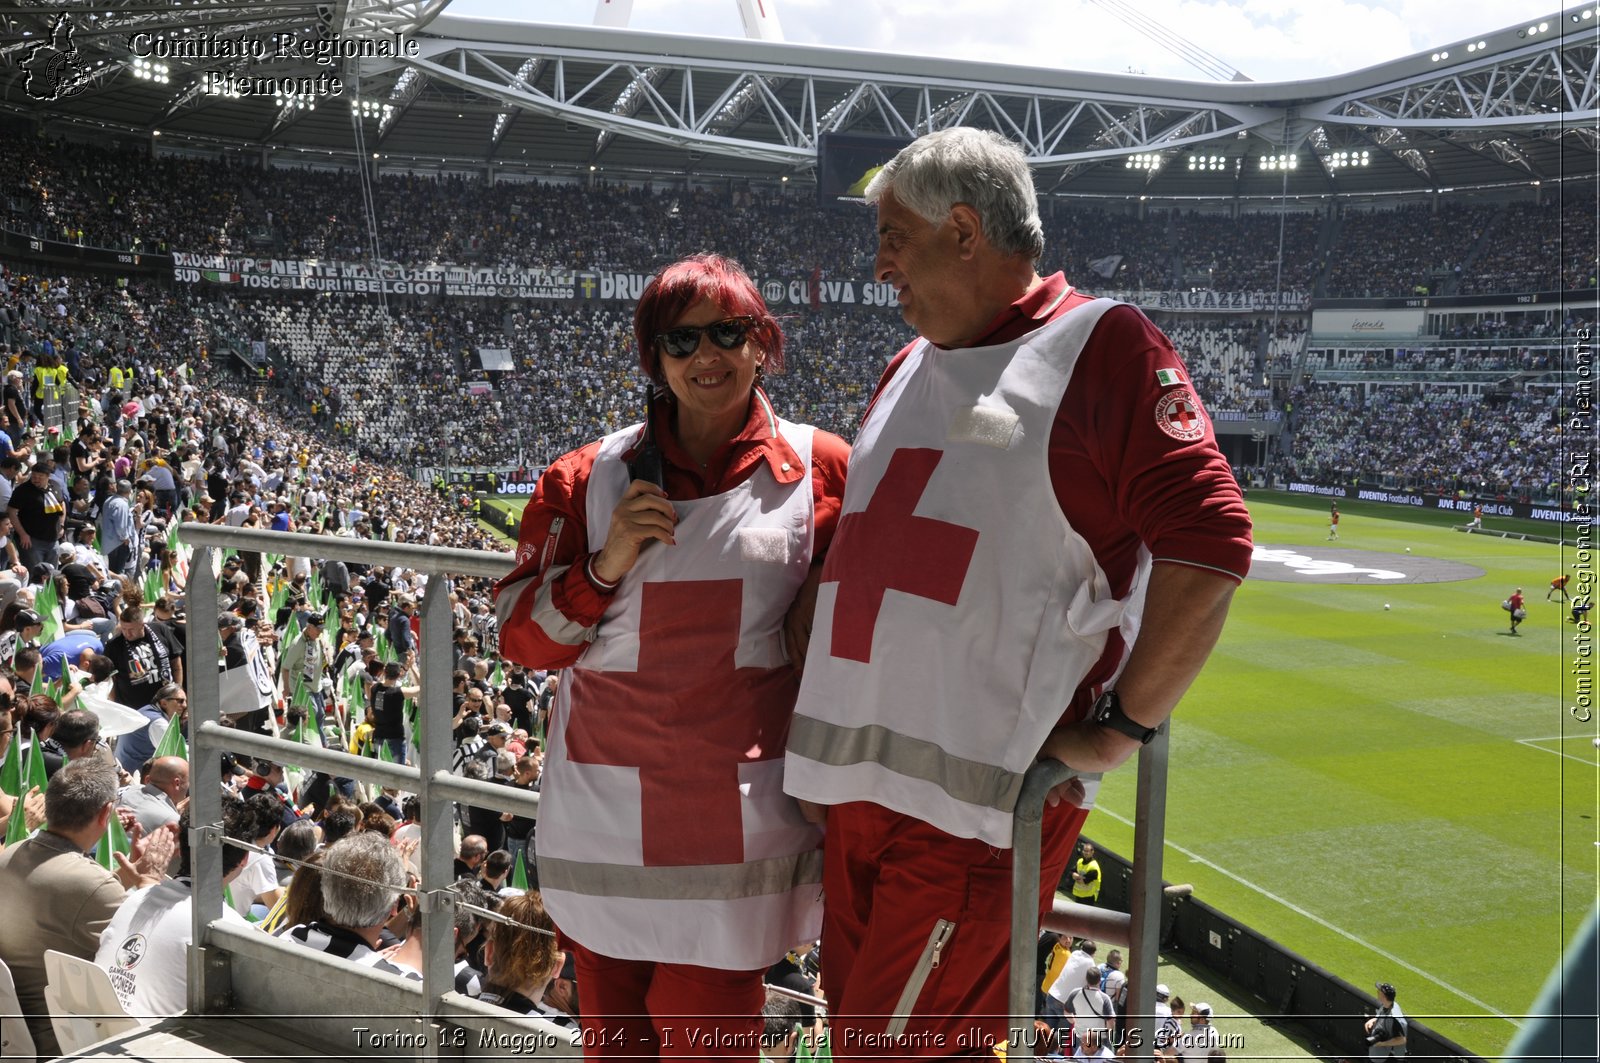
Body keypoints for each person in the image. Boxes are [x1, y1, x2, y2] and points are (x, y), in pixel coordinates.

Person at [782, 128, 1252, 1050]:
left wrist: (1123, 728)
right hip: (858, 804)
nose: (877, 267)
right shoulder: (908, 363)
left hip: (971, 824)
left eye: (892, 236)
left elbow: (1211, 542)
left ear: (964, 231)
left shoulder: (1101, 345)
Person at [494, 253, 850, 1057]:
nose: (707, 355)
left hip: (736, 844)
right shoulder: (585, 479)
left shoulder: (824, 468)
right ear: (653, 355)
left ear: (764, 342)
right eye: (681, 339)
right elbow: (522, 641)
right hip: (601, 832)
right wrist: (602, 565)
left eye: (729, 331)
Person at [1365, 981, 1408, 1059]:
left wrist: (1382, 1044)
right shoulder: (1387, 1005)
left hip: (1390, 1056)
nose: (1377, 992)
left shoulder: (1394, 1017)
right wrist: (1373, 1020)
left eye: (1379, 991)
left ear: (1383, 996)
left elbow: (1402, 1040)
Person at [1070, 840, 1102, 905]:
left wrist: (1076, 876)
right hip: (1078, 894)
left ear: (1092, 852)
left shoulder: (1094, 867)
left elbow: (1083, 881)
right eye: (1084, 851)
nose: (1085, 853)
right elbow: (1071, 872)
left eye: (1087, 851)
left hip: (1089, 897)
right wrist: (1075, 875)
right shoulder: (1080, 861)